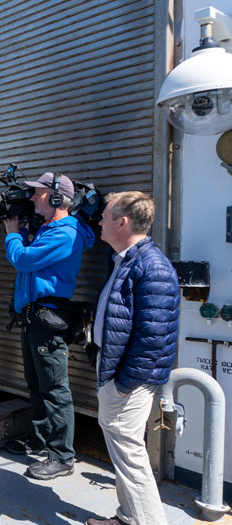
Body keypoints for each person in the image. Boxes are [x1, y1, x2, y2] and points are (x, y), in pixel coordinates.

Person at [86, 192, 179, 525]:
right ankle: (128, 517)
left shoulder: (151, 267)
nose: (99, 220)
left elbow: (151, 340)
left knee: (130, 454)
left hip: (128, 381)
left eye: (105, 215)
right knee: (124, 453)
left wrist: (122, 386)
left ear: (121, 222)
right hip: (116, 374)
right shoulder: (125, 260)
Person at [3, 171, 95, 480]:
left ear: (56, 198)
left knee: (55, 388)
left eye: (37, 193)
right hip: (34, 318)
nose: (31, 198)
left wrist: (13, 233)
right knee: (37, 383)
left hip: (48, 319)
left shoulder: (64, 233)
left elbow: (24, 260)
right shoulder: (48, 229)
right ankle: (41, 440)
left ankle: (62, 456)